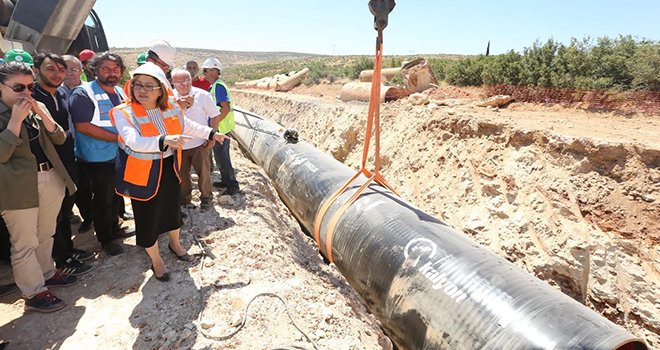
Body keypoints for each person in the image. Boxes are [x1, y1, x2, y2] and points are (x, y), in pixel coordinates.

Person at [110, 62, 228, 281]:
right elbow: (134, 142)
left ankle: (175, 244)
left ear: (161, 89)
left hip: (169, 167)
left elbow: (187, 126)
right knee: (147, 217)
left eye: (148, 86)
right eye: (138, 85)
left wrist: (212, 133)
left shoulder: (171, 107)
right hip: (143, 172)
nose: (141, 90)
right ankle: (156, 261)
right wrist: (164, 140)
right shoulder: (123, 112)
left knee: (172, 210)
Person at [0, 62, 78, 312]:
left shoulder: (36, 107)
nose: (26, 92)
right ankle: (34, 293)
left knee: (46, 233)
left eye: (31, 86)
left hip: (49, 177)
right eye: (18, 87)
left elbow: (60, 138)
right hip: (16, 188)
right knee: (24, 242)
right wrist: (14, 121)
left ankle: (47, 272)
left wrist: (43, 114)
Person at [32, 52, 94, 276]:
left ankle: (68, 250)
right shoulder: (33, 98)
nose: (58, 74)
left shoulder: (62, 93)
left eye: (61, 70)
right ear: (36, 71)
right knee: (52, 217)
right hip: (49, 167)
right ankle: (60, 259)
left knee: (65, 211)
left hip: (68, 161)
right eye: (51, 69)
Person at [68, 52, 129, 256]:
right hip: (96, 158)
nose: (112, 73)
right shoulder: (83, 93)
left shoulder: (120, 92)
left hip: (117, 154)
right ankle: (106, 239)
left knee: (114, 196)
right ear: (94, 70)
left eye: (116, 69)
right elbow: (83, 126)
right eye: (106, 68)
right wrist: (118, 139)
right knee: (102, 199)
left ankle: (114, 228)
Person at [171, 69, 220, 210]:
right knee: (182, 175)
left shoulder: (203, 95)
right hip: (179, 145)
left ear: (191, 80)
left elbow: (214, 115)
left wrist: (212, 135)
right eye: (179, 82)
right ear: (173, 83)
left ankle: (206, 198)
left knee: (204, 173)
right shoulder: (169, 98)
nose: (183, 85)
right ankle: (185, 200)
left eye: (186, 81)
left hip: (200, 143)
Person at [203, 57, 240, 195]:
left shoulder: (218, 86)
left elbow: (225, 107)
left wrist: (215, 125)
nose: (204, 73)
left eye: (205, 70)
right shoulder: (215, 86)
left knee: (223, 157)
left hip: (220, 129)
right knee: (219, 157)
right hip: (220, 128)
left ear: (213, 71)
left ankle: (232, 186)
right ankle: (225, 181)